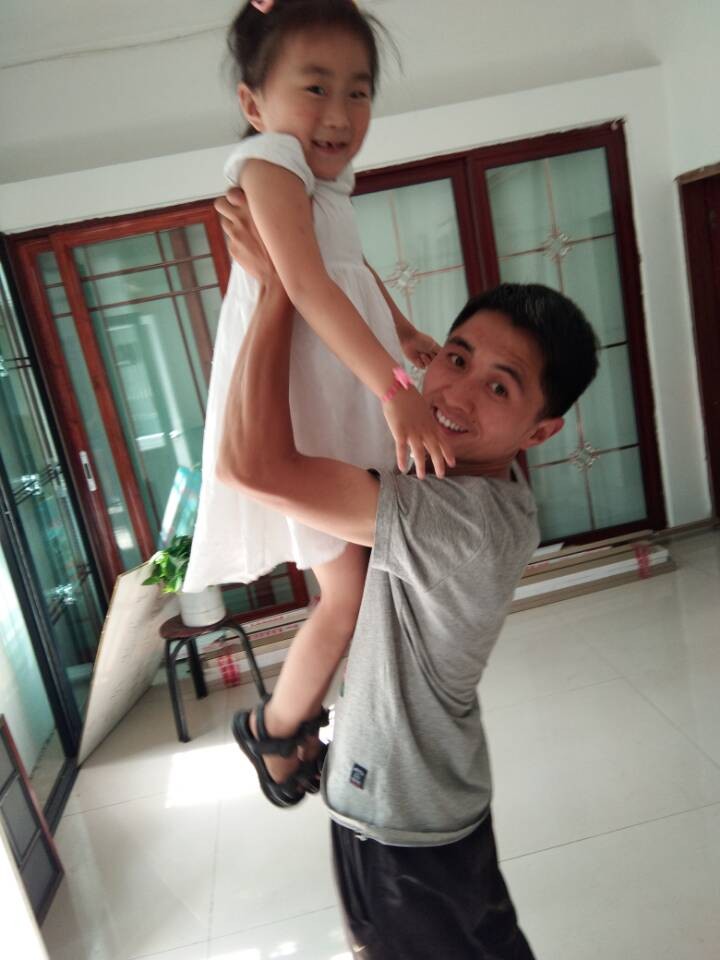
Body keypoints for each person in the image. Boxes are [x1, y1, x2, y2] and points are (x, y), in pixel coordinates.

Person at [215, 189, 599, 958]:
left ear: (541, 431)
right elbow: (367, 312)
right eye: (456, 358)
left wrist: (277, 291)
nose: (455, 392)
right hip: (426, 795)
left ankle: (278, 738)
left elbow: (248, 466)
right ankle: (281, 738)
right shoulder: (472, 471)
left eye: (499, 386)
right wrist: (316, 246)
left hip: (399, 820)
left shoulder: (459, 523)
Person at [184, 0, 452, 801]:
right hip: (308, 401)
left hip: (334, 391)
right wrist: (394, 388)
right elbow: (302, 283)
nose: (339, 113)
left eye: (358, 91)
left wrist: (404, 333)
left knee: (355, 591)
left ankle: (297, 725)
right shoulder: (270, 162)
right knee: (347, 596)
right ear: (252, 102)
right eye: (315, 87)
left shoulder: (325, 183)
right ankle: (274, 731)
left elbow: (348, 271)